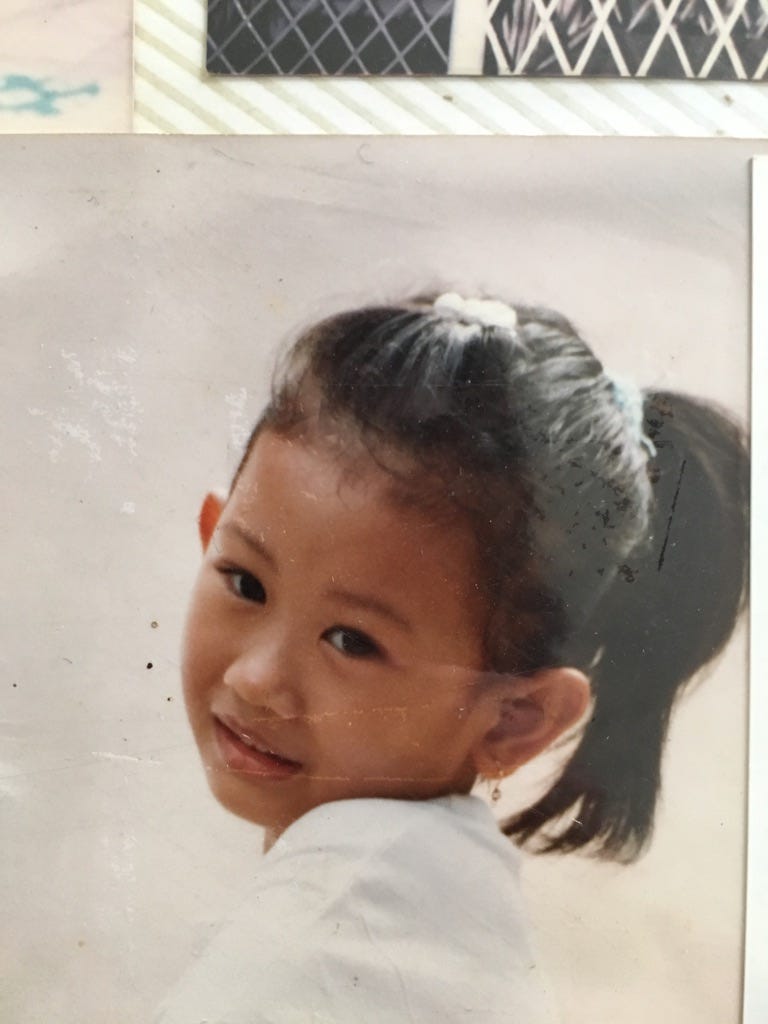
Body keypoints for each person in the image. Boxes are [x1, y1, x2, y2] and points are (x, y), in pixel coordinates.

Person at [155, 292, 748, 1023]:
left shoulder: (342, 922)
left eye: (352, 641)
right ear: (211, 531)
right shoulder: (418, 889)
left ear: (514, 720)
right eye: (246, 583)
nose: (255, 679)